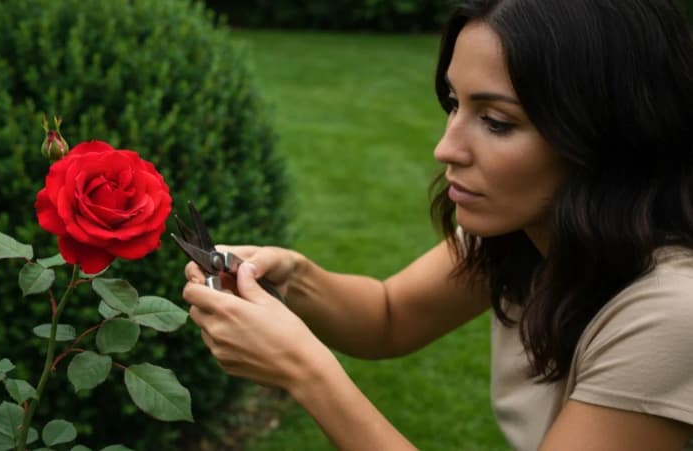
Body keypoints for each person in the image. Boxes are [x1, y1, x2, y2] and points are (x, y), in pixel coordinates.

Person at [181, 0, 693, 449]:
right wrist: (292, 278)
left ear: (605, 133)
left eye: (497, 122)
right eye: (454, 103)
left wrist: (304, 371)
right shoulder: (531, 229)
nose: (445, 148)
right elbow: (390, 316)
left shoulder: (670, 315)